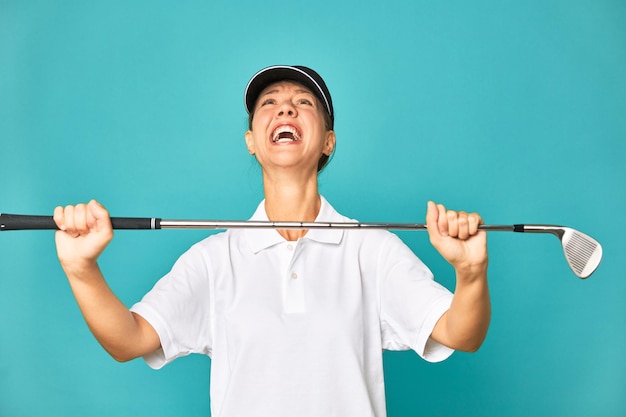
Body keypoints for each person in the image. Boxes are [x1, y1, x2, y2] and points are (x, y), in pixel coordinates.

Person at [53, 65, 490, 417]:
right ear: (251, 142)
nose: (285, 111)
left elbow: (460, 333)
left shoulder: (371, 250)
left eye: (303, 103)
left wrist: (471, 275)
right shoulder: (213, 260)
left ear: (328, 143)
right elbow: (128, 341)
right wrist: (81, 270)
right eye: (270, 104)